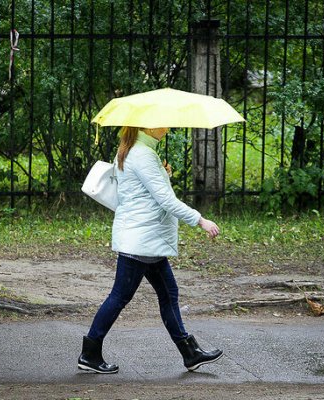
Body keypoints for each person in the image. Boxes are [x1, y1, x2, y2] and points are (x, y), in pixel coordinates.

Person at [78, 126, 224, 374]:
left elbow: (140, 191)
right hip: (141, 240)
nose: (166, 127)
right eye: (162, 123)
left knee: (168, 293)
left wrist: (162, 175)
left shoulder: (132, 149)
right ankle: (90, 353)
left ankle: (190, 353)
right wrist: (200, 220)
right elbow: (165, 200)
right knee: (120, 296)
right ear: (146, 126)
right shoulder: (143, 154)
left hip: (145, 238)